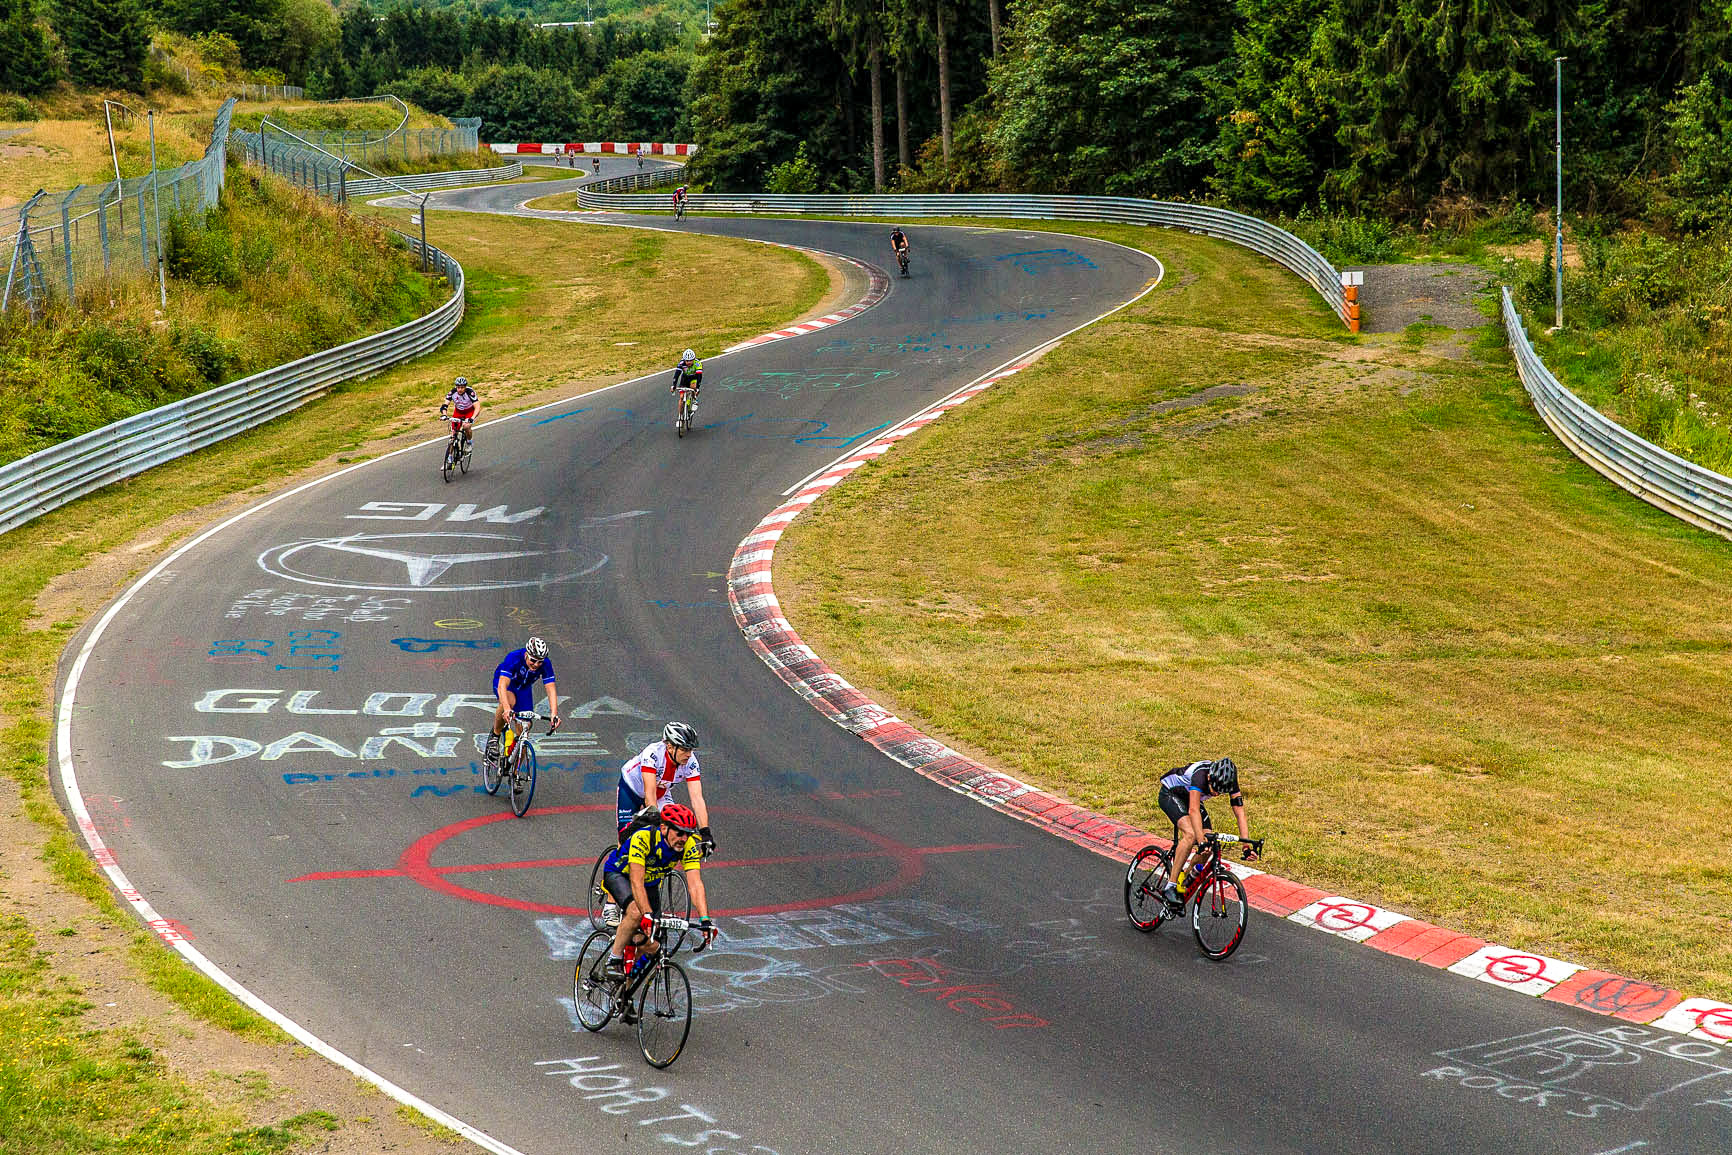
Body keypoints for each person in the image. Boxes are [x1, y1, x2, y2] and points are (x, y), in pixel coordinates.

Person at [601, 802, 718, 979]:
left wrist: (705, 919)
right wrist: (647, 914)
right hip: (620, 875)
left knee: (652, 945)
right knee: (635, 912)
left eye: (687, 834)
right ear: (664, 828)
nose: (683, 839)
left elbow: (695, 884)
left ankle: (623, 996)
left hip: (651, 884)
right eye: (679, 833)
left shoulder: (689, 845)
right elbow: (636, 880)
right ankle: (613, 959)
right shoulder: (644, 838)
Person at [1157, 757, 1257, 909]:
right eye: (1214, 789)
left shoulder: (1230, 780)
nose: (1216, 794)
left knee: (1209, 843)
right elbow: (1193, 810)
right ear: (1210, 777)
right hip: (1171, 794)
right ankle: (1170, 886)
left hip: (1190, 797)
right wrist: (1200, 840)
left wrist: (1246, 845)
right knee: (1191, 836)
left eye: (1219, 792)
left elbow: (1240, 813)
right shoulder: (1200, 775)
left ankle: (1184, 881)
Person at [485, 637, 561, 768]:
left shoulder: (546, 664)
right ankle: (495, 736)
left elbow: (550, 688)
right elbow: (502, 684)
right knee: (510, 702)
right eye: (533, 660)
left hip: (523, 689)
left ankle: (515, 773)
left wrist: (554, 714)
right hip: (505, 684)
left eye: (540, 662)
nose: (536, 664)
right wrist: (507, 709)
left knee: (525, 730)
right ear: (526, 654)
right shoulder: (514, 658)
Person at [439, 376, 478, 451]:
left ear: (465, 387)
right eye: (458, 387)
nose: (460, 389)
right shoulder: (453, 392)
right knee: (453, 435)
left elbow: (477, 406)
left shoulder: (470, 392)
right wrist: (444, 414)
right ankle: (449, 458)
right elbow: (445, 405)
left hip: (469, 411)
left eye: (462, 387)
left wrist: (472, 418)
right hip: (458, 412)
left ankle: (469, 442)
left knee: (466, 426)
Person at [670, 348, 703, 415]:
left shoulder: (697, 364)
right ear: (684, 360)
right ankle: (680, 417)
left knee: (693, 387)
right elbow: (677, 375)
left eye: (690, 360)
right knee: (681, 397)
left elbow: (699, 376)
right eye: (687, 361)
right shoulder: (681, 363)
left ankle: (694, 400)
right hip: (685, 379)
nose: (689, 362)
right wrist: (674, 385)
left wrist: (697, 388)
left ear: (694, 359)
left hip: (694, 378)